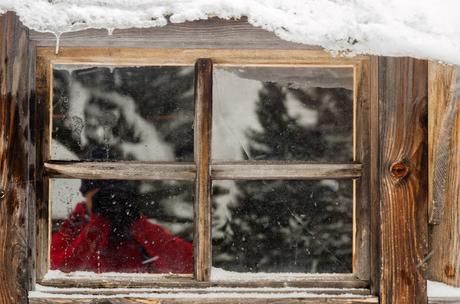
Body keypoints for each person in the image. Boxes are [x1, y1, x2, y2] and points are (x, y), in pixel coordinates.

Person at [50, 179, 193, 274]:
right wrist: (98, 222)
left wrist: (137, 222)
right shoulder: (72, 228)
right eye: (103, 196)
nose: (112, 202)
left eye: (118, 197)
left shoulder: (142, 232)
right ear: (86, 194)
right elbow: (59, 271)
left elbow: (191, 264)